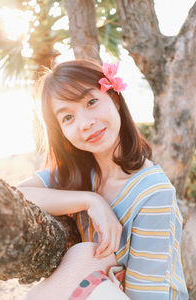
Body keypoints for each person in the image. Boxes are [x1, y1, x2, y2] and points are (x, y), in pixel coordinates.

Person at [18, 59, 188, 299]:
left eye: (91, 102)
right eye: (68, 117)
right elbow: (18, 195)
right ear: (61, 132)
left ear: (115, 99)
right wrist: (91, 201)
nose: (86, 123)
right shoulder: (81, 173)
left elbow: (147, 294)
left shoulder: (153, 193)